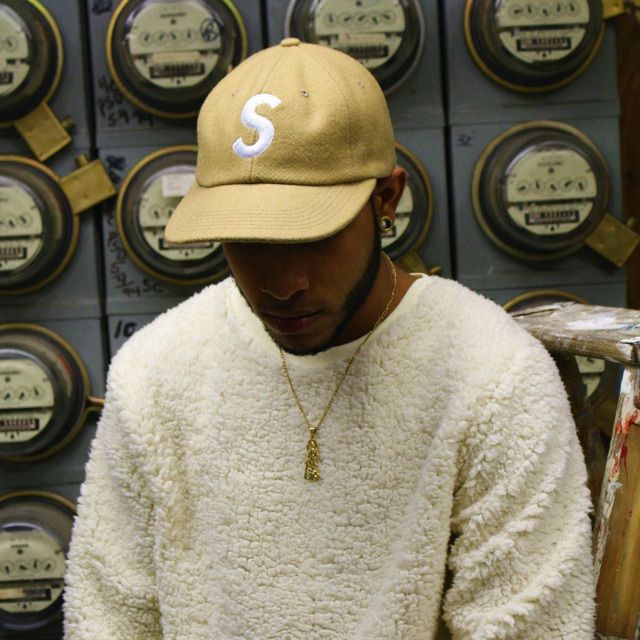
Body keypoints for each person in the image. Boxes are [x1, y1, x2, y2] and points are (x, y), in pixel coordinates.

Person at [63, 39, 596, 639]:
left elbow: (529, 623)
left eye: (313, 238)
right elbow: (107, 617)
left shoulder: (492, 375)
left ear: (386, 198)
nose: (281, 284)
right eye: (247, 240)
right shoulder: (157, 372)